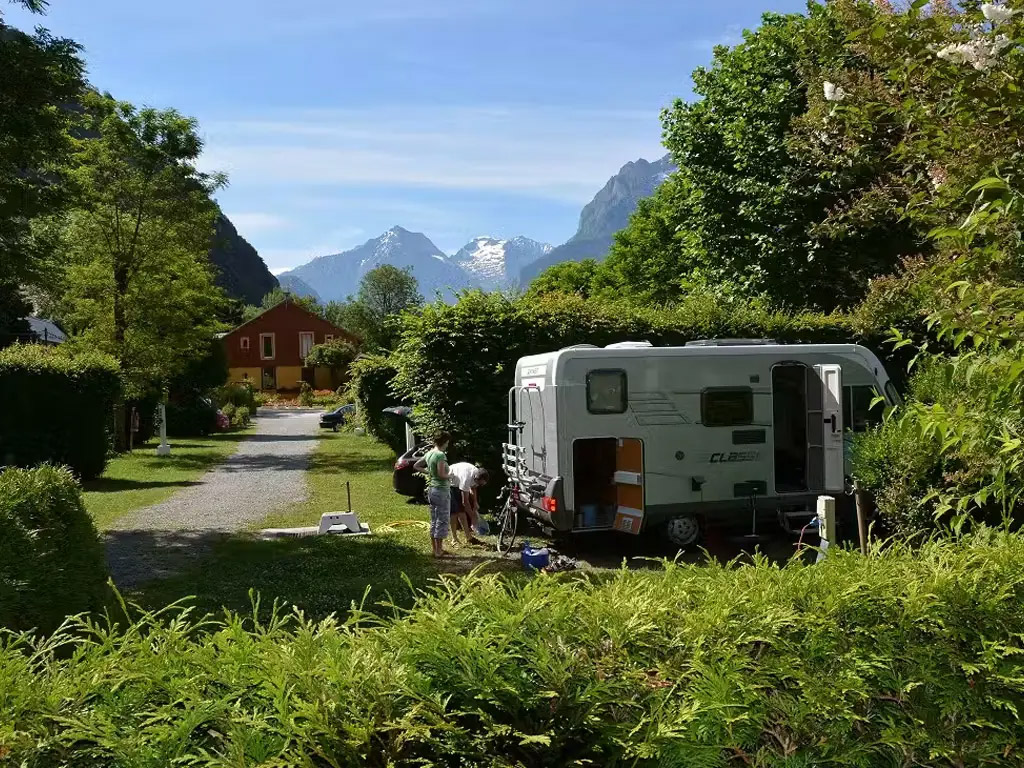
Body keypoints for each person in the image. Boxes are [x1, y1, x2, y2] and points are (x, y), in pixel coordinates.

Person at [418, 432, 452, 558]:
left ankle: (435, 549)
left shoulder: (430, 453)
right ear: (444, 442)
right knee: (442, 520)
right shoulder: (440, 455)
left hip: (432, 490)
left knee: (434, 519)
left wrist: (428, 472)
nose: (448, 444)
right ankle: (439, 551)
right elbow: (442, 474)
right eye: (447, 442)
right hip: (441, 490)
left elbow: (417, 466)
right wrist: (451, 475)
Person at [448, 462, 489, 546]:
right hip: (449, 483)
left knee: (462, 512)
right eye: (480, 483)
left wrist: (475, 502)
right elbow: (465, 502)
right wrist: (473, 518)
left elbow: (473, 488)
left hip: (458, 484)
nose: (479, 485)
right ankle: (454, 539)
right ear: (476, 478)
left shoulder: (477, 473)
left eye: (481, 484)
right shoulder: (466, 479)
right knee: (454, 513)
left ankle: (469, 538)